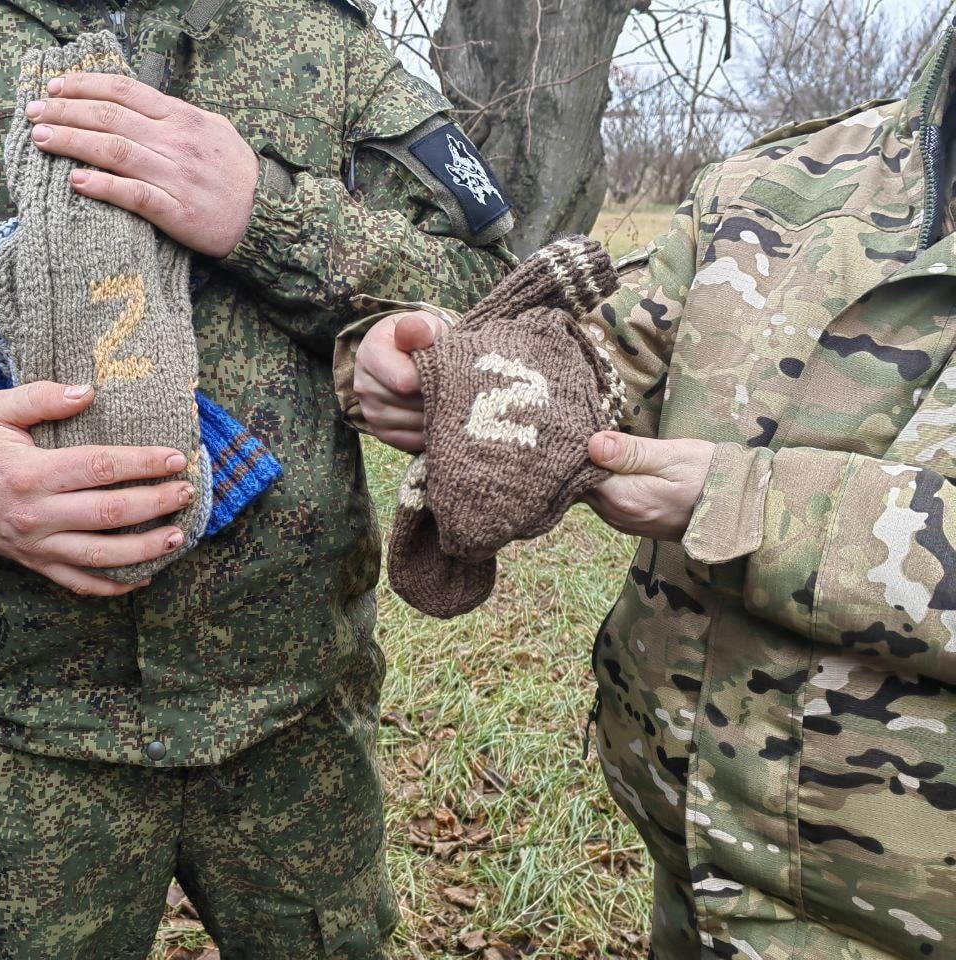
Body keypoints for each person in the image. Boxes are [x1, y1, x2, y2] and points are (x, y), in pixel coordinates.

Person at [0, 0, 516, 956]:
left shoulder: (315, 37)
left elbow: (493, 297)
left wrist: (264, 211)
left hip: (296, 721)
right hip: (21, 738)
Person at [346, 24, 956, 960]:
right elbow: (600, 357)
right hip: (693, 857)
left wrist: (742, 507)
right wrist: (455, 360)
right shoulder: (773, 185)